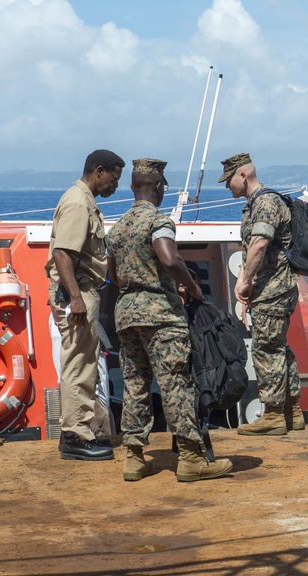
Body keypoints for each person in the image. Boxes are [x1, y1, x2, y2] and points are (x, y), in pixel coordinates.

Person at [106, 158, 231, 482]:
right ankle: (190, 458)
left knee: (135, 385)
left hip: (127, 315)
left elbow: (114, 275)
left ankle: (134, 458)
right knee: (176, 382)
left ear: (133, 187)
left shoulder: (116, 230)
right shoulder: (158, 221)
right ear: (159, 187)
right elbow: (169, 257)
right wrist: (190, 286)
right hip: (161, 316)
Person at [45, 149, 124, 461]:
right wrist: (76, 297)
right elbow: (63, 253)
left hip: (82, 289)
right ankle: (77, 433)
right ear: (99, 171)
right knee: (78, 364)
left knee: (83, 362)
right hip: (77, 292)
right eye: (113, 179)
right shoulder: (78, 203)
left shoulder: (84, 200)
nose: (115, 185)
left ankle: (73, 433)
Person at [219, 152, 304, 435]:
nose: (226, 186)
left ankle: (275, 415)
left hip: (273, 288)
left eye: (229, 179)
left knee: (266, 348)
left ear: (243, 175)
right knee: (278, 346)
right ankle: (292, 411)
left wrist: (245, 281)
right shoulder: (258, 202)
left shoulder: (266, 202)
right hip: (275, 287)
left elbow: (258, 244)